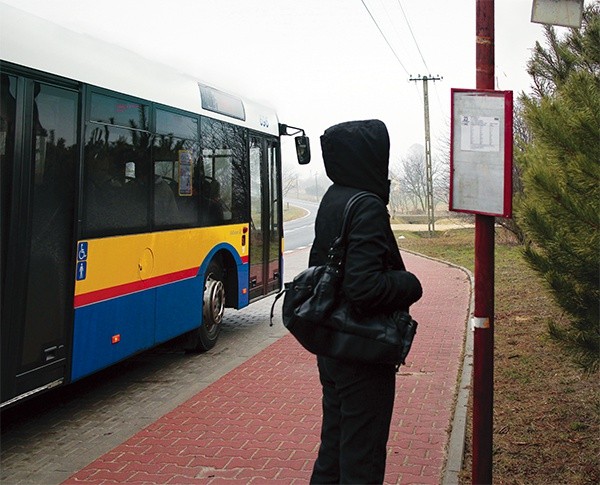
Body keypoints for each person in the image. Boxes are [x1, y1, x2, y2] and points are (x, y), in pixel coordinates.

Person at [309, 119, 423, 484]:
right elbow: (364, 287)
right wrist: (410, 284)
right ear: (368, 158)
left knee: (334, 447)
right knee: (363, 457)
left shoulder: (334, 197)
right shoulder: (368, 205)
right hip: (361, 348)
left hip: (332, 343)